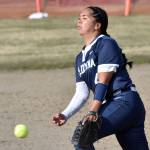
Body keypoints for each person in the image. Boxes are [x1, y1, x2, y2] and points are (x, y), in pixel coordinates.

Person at [52, 6, 149, 150]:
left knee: (82, 137)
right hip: (121, 106)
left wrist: (93, 110)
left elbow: (104, 80)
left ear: (97, 25)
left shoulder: (106, 43)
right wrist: (65, 114)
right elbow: (82, 93)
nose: (79, 20)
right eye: (79, 17)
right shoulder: (80, 58)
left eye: (84, 18)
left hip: (124, 102)